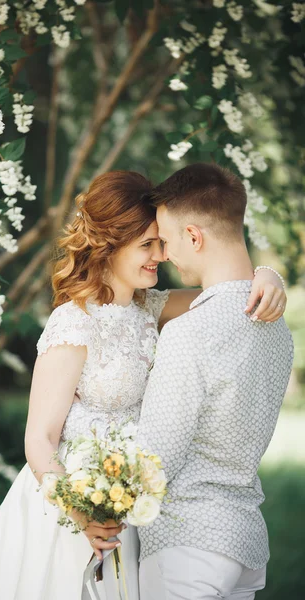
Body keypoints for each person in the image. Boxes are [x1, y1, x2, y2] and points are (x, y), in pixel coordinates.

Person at [0, 170, 286, 600]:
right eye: (147, 244)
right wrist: (78, 511)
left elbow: (230, 296)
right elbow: (40, 437)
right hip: (75, 506)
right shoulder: (75, 321)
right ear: (110, 246)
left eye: (161, 242)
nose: (161, 256)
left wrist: (268, 274)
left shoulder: (152, 308)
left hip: (134, 507)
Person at [138, 163, 294, 600]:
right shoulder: (278, 330)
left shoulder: (190, 332)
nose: (164, 255)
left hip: (187, 544)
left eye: (166, 242)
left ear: (194, 236)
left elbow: (156, 454)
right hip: (244, 543)